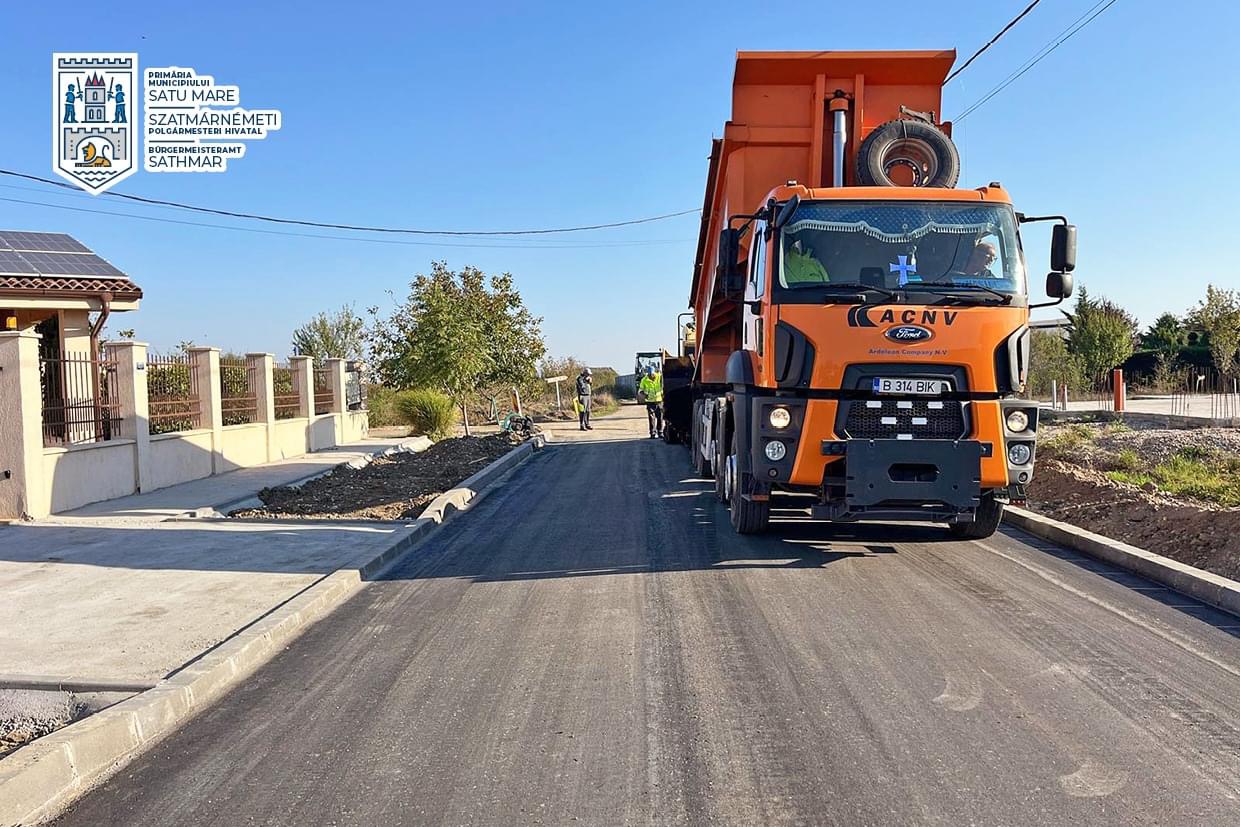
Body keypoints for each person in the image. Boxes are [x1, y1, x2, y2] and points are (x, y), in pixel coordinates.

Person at [638, 364, 663, 438]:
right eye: (650, 375)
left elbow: (663, 383)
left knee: (660, 417)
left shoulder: (659, 377)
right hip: (650, 401)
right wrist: (644, 394)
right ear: (647, 374)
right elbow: (640, 390)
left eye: (652, 374)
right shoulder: (644, 380)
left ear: (654, 373)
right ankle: (652, 433)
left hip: (659, 400)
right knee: (651, 417)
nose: (651, 376)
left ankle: (660, 432)